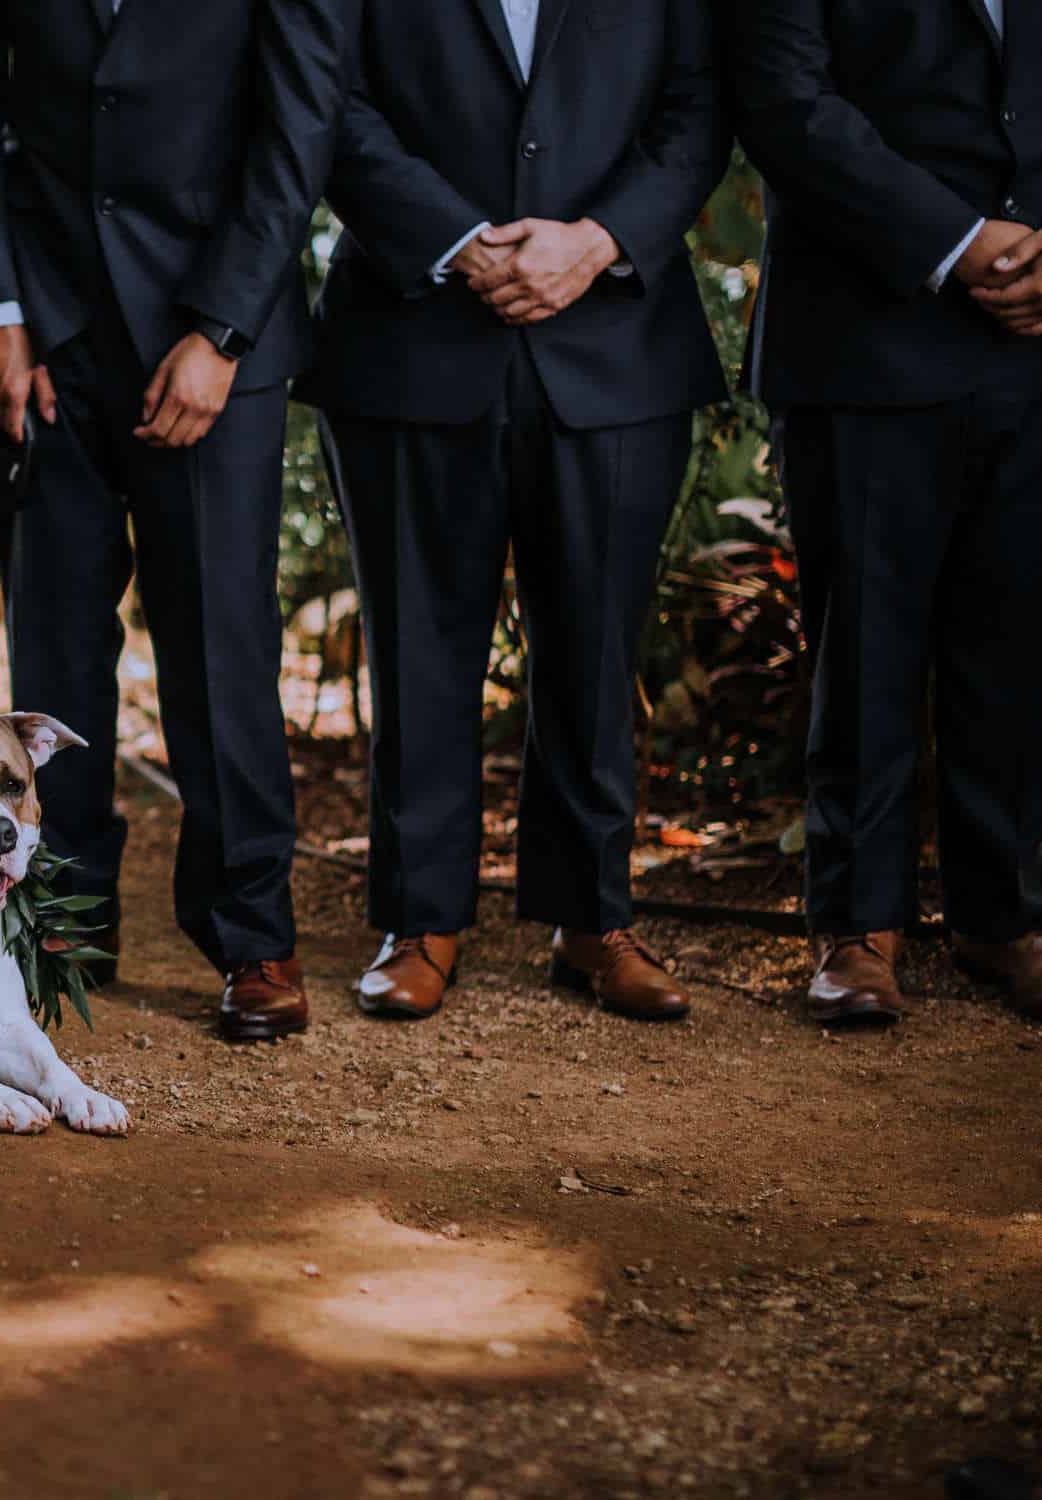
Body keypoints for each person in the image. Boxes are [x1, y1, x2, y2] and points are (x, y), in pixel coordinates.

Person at [0, 0, 344, 1042]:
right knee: (54, 642)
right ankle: (59, 919)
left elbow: (300, 117)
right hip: (45, 324)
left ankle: (253, 933)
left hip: (214, 324)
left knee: (222, 644)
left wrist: (225, 328)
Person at [300, 0, 729, 1023]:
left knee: (597, 641)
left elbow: (703, 102)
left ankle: (592, 918)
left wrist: (599, 239)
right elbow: (327, 97)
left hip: (617, 339)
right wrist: (458, 242)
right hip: (409, 332)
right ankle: (421, 918)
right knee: (416, 640)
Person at [733, 0, 1042, 1026]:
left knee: (1015, 643)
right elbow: (784, 101)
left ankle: (1002, 916)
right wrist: (958, 241)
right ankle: (858, 927)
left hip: (1033, 343)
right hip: (865, 329)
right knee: (866, 645)